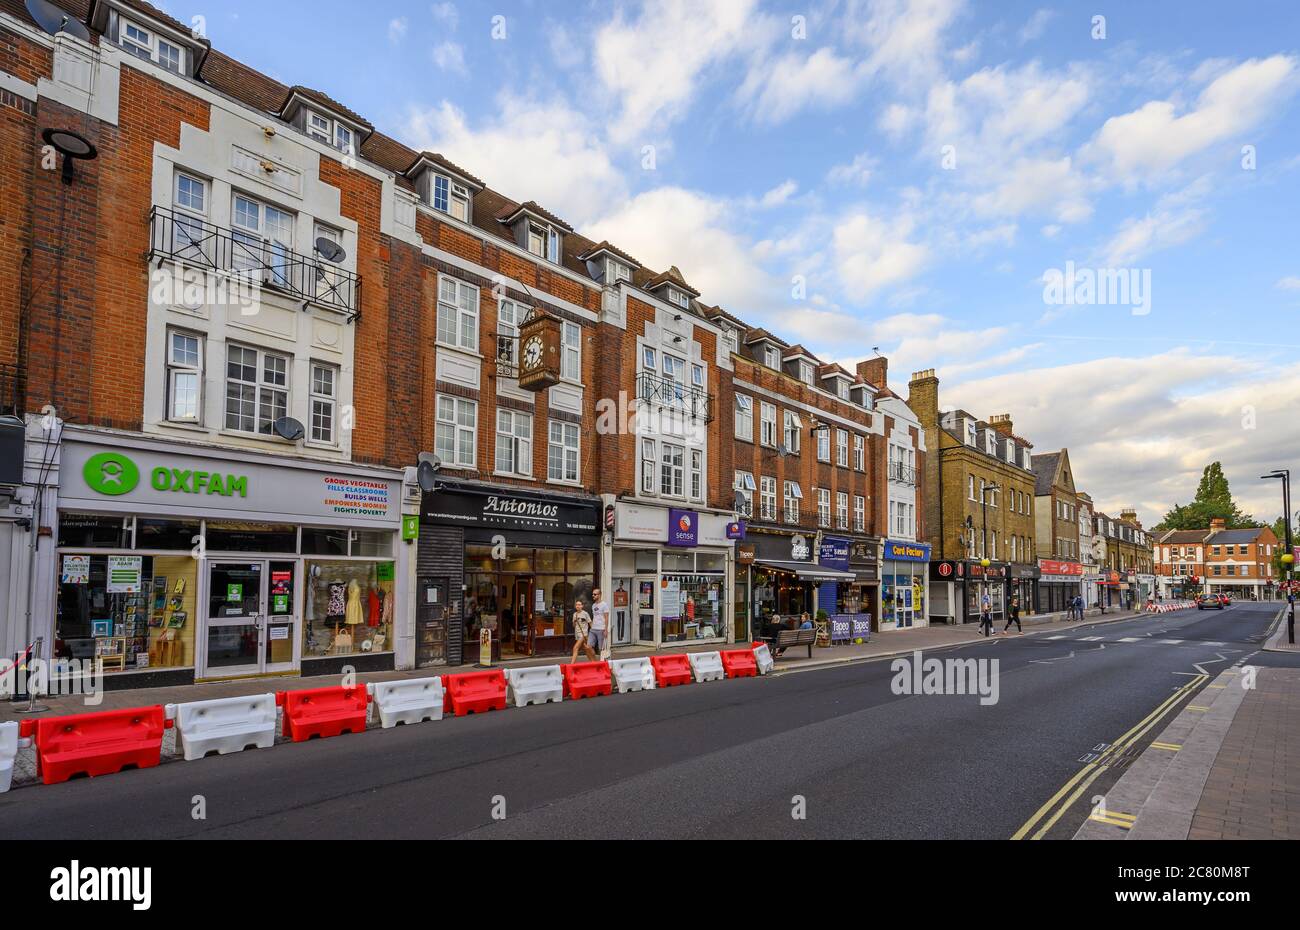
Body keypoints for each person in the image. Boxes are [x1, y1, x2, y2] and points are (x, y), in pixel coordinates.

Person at [569, 598, 596, 664]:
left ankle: (571, 665)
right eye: (576, 605)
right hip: (577, 634)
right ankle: (593, 662)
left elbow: (590, 623)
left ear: (582, 606)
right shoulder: (574, 614)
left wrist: (593, 633)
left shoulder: (585, 613)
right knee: (586, 649)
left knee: (575, 648)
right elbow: (574, 625)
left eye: (579, 605)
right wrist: (574, 621)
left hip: (584, 634)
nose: (578, 606)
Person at [589, 587, 609, 659]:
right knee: (589, 646)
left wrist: (606, 630)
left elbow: (606, 618)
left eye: (595, 594)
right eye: (592, 594)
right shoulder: (593, 605)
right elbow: (594, 616)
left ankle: (603, 663)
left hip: (601, 629)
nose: (593, 596)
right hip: (593, 629)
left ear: (599, 595)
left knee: (601, 649)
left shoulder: (604, 605)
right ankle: (595, 661)